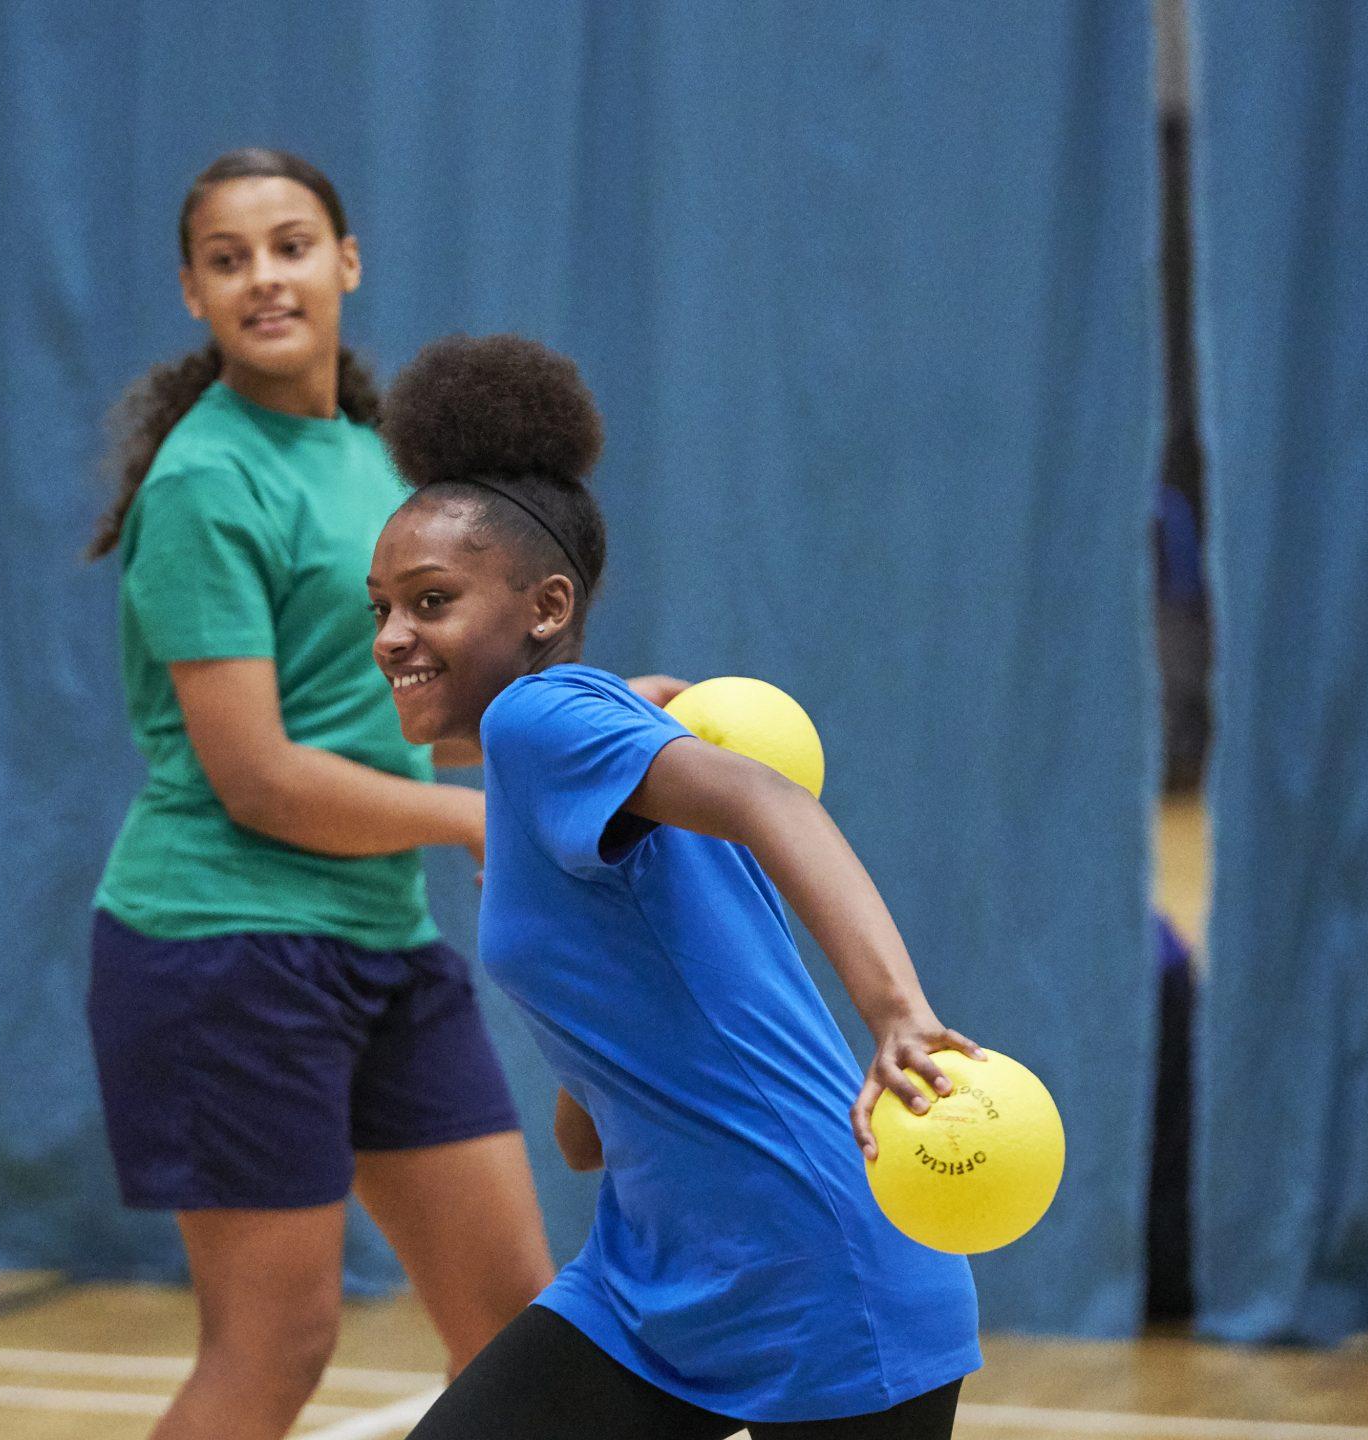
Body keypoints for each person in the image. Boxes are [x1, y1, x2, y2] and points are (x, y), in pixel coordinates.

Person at [366, 335, 985, 1439]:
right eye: (381, 607)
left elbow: (772, 800)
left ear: (545, 607)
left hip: (817, 1271)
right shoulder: (584, 752)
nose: (392, 637)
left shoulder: (541, 721)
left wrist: (897, 1015)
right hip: (652, 1284)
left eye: (430, 601)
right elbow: (584, 1137)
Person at [83, 151, 552, 1440]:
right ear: (192, 292)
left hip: (377, 945)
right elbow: (262, 778)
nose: (264, 278)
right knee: (275, 1343)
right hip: (222, 953)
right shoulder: (202, 482)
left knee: (521, 1336)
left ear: (346, 263)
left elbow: (406, 728)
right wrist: (483, 820)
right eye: (228, 259)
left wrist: (603, 741)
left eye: (290, 246)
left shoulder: (379, 464)